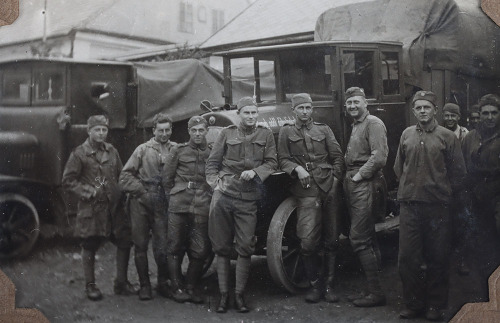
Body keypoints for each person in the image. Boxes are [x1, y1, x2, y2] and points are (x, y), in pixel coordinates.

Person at [394, 91, 466, 321]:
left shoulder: (447, 137)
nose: (422, 111)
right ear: (413, 111)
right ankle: (413, 304)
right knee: (408, 258)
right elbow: (398, 168)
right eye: (418, 108)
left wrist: (440, 192)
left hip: (437, 208)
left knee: (437, 257)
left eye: (427, 107)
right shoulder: (406, 134)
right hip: (410, 207)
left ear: (435, 110)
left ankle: (435, 305)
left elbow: (459, 174)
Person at [206, 96, 277, 313]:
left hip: (248, 198)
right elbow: (212, 163)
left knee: (246, 247)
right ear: (239, 114)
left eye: (254, 113)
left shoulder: (265, 134)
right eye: (247, 113)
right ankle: (224, 295)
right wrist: (215, 184)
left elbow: (272, 162)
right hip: (224, 196)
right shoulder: (226, 134)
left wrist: (255, 172)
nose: (251, 117)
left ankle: (239, 295)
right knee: (221, 246)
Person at [277, 93, 345, 303]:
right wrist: (297, 168)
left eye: (308, 108)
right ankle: (315, 284)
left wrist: (334, 180)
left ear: (312, 109)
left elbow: (337, 157)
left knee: (332, 239)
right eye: (301, 108)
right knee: (307, 242)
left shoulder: (323, 129)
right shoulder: (286, 131)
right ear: (293, 110)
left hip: (328, 187)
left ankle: (329, 286)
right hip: (305, 190)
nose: (305, 112)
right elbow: (283, 159)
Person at [62, 115, 137, 301]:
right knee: (89, 244)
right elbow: (68, 181)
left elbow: (122, 174)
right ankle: (90, 286)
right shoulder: (79, 154)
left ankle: (121, 283)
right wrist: (88, 191)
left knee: (124, 241)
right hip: (92, 209)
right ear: (89, 131)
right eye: (97, 130)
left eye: (104, 130)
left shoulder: (112, 151)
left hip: (114, 208)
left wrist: (126, 191)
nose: (101, 133)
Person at [119, 113, 175, 300]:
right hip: (141, 203)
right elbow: (124, 177)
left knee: (163, 245)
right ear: (154, 131)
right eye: (160, 130)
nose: (164, 134)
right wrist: (141, 192)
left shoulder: (176, 150)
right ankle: (144, 285)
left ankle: (163, 283)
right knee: (140, 244)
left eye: (167, 130)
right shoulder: (142, 150)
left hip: (163, 203)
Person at [343, 87, 388, 307]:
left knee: (359, 238)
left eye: (356, 102)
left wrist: (359, 176)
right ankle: (373, 288)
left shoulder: (374, 123)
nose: (352, 106)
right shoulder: (357, 124)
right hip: (356, 181)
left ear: (365, 103)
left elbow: (379, 157)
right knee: (368, 236)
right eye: (349, 103)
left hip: (365, 182)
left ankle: (376, 293)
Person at [162, 116, 212, 304]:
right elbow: (167, 179)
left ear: (206, 131)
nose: (198, 134)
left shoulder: (212, 152)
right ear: (189, 132)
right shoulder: (178, 150)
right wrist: (174, 198)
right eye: (194, 130)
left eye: (201, 130)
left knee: (200, 249)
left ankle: (191, 286)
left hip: (202, 204)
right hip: (179, 204)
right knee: (174, 246)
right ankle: (177, 287)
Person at [461, 94, 500, 275]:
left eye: (494, 113)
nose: (490, 117)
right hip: (477, 197)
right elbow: (462, 165)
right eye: (485, 113)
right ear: (480, 114)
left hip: (497, 195)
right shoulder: (470, 138)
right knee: (483, 244)